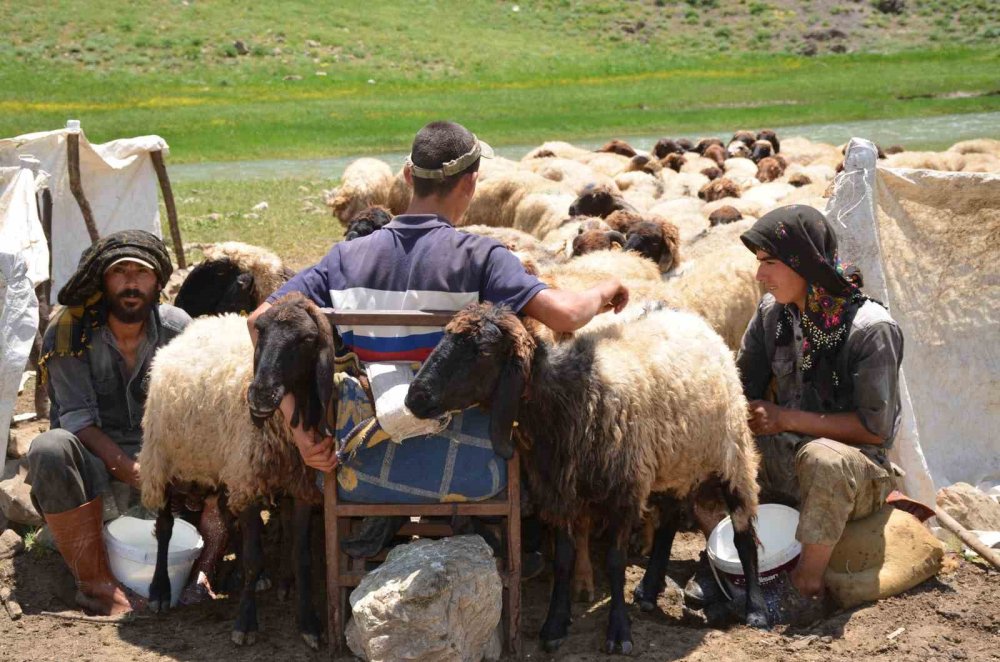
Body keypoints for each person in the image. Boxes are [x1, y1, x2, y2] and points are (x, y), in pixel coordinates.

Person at [247, 120, 629, 557]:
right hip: (471, 468)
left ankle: (379, 533)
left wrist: (301, 431)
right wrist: (603, 290)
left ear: (408, 177)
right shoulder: (481, 257)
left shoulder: (345, 257)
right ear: (471, 182)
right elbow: (566, 315)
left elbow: (260, 321)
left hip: (359, 467)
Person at [685, 205, 904, 609]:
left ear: (804, 261)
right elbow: (741, 384)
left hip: (854, 470)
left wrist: (785, 418)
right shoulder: (773, 315)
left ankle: (804, 587)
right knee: (714, 449)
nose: (759, 275)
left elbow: (875, 429)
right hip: (785, 456)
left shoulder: (870, 329)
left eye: (770, 262)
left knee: (823, 458)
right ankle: (727, 565)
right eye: (758, 262)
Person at [25, 231, 205, 615]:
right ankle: (95, 584)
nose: (131, 282)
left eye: (141, 273)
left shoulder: (179, 330)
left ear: (158, 282)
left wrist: (171, 469)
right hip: (96, 464)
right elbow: (77, 421)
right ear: (102, 281)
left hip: (164, 463)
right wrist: (133, 471)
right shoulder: (69, 331)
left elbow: (195, 413)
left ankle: (204, 571)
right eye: (119, 272)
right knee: (49, 448)